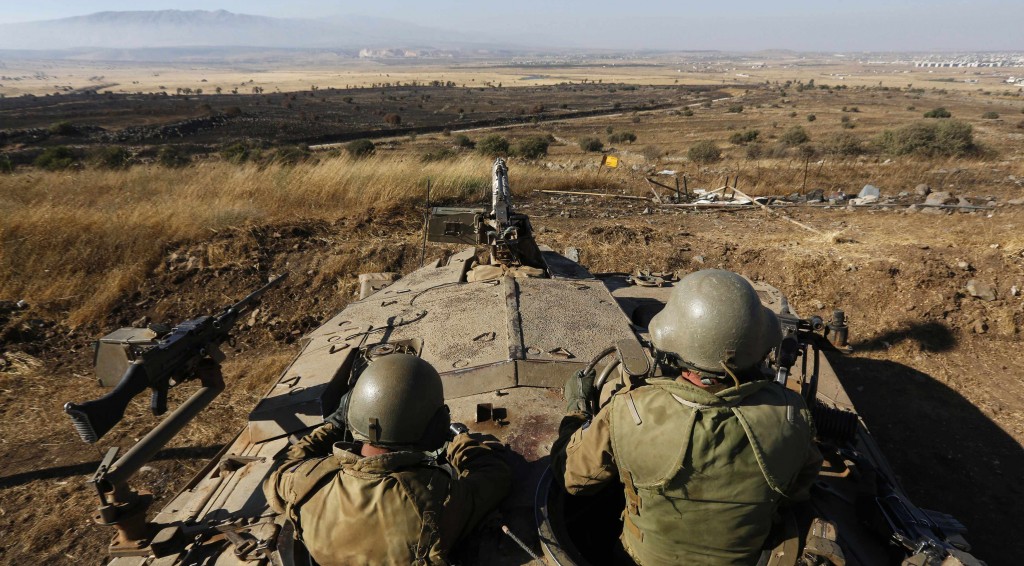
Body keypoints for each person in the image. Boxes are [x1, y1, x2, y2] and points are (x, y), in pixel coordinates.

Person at [552, 269, 823, 566]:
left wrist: (577, 410)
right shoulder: (792, 416)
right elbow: (798, 490)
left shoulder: (628, 412)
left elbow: (574, 479)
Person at [264, 353, 511, 566]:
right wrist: (460, 441)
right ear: (435, 427)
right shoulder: (433, 499)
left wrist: (333, 427)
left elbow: (281, 470)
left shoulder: (303, 482)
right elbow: (494, 475)